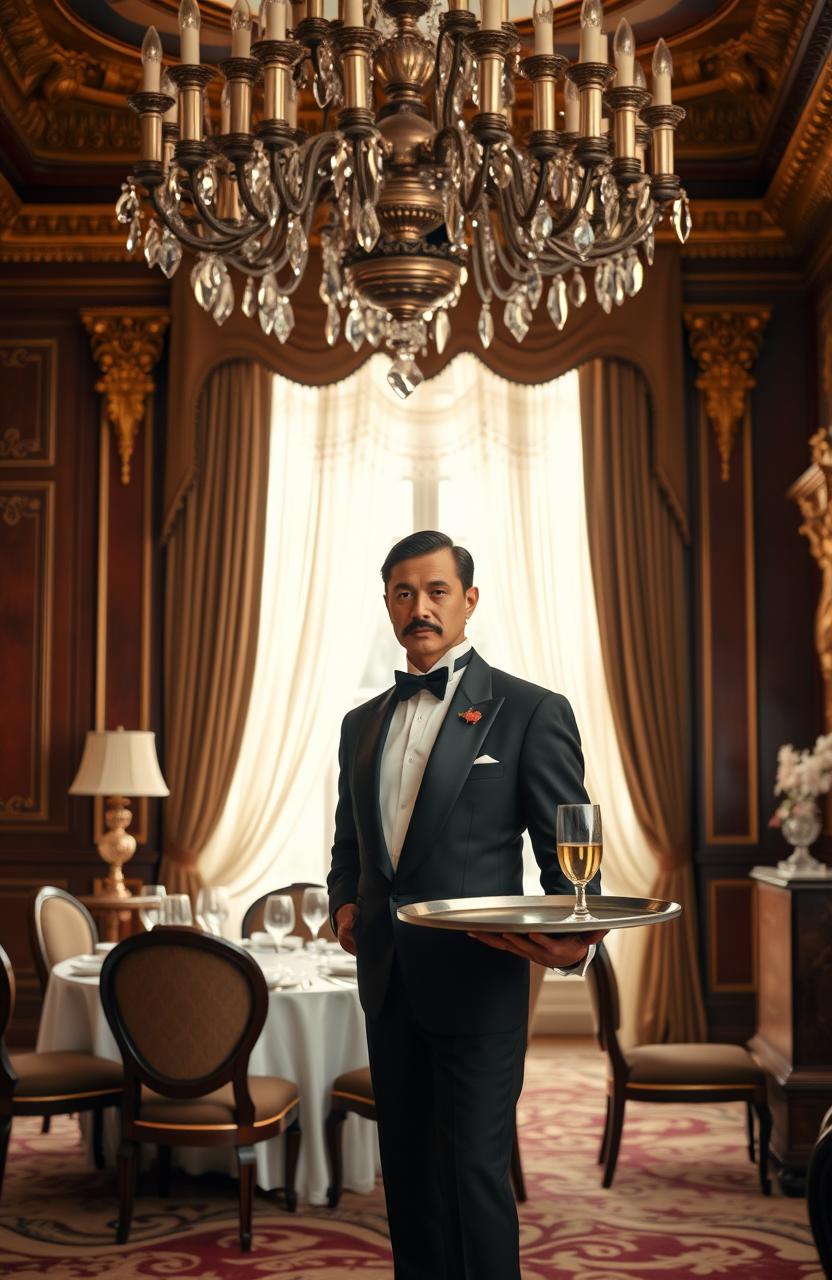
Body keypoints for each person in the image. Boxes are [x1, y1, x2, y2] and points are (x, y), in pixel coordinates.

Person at [328, 530, 604, 1280]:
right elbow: (352, 842)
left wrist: (575, 939)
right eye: (404, 592)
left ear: (469, 601)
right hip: (387, 986)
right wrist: (344, 902)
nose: (420, 607)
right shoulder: (360, 724)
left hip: (478, 984)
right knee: (409, 1181)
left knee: (473, 1176)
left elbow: (568, 860)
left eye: (437, 591)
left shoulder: (530, 710)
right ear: (387, 603)